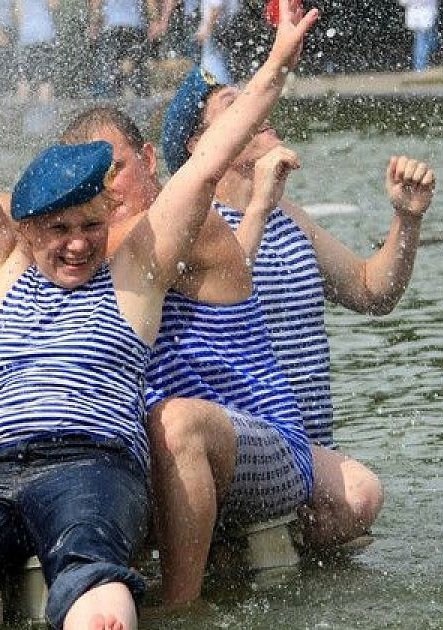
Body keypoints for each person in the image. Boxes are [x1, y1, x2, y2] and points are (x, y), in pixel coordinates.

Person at [0, 0, 317, 628]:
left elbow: (209, 161)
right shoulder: (0, 271)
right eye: (58, 230)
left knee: (94, 591)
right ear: (24, 231)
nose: (77, 243)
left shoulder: (135, 272)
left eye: (89, 226)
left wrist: (275, 65)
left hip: (93, 465)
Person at [160, 66, 436, 548]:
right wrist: (259, 208)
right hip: (242, 444)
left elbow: (373, 292)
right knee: (359, 498)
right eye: (234, 104)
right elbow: (228, 288)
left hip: (308, 449)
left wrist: (406, 220)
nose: (258, 108)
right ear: (201, 144)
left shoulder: (292, 218)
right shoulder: (192, 228)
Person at [59, 105, 312, 605]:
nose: (106, 190)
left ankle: (180, 610)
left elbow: (29, 229)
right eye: (88, 180)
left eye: (115, 170)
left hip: (266, 443)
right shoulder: (89, 241)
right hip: (169, 452)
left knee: (175, 423)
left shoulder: (191, 226)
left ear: (151, 159)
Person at [88, 0, 149, 97]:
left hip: (112, 26)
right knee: (136, 66)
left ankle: (110, 99)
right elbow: (150, 3)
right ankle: (141, 97)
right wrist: (155, 22)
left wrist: (94, 24)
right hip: (135, 26)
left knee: (108, 67)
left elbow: (96, 3)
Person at [399, 0, 439, 71]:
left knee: (421, 40)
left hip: (416, 15)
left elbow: (403, 2)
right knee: (422, 41)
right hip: (425, 15)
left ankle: (421, 64)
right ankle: (420, 66)